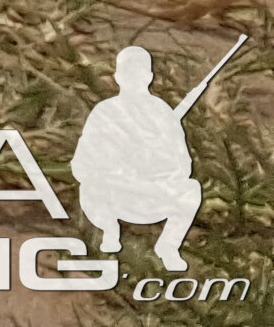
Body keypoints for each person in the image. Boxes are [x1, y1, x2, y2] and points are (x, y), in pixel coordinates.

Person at [72, 46, 203, 270]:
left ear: (149, 77)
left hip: (152, 194)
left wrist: (159, 168)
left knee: (191, 190)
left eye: (139, 73)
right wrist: (115, 170)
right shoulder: (104, 112)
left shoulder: (163, 114)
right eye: (128, 73)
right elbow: (81, 163)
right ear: (118, 77)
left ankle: (169, 246)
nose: (134, 79)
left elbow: (183, 164)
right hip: (113, 193)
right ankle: (109, 231)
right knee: (91, 187)